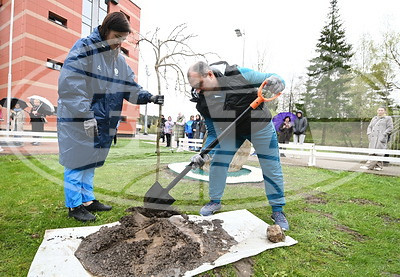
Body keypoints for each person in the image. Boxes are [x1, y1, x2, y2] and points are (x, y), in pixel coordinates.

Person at [57, 12, 164, 222]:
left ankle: (87, 200)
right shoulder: (84, 48)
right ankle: (74, 205)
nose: (118, 43)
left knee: (90, 162)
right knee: (77, 161)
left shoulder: (119, 61)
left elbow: (130, 88)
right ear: (106, 30)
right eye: (116, 36)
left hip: (103, 121)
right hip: (79, 118)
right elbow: (70, 84)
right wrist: (85, 115)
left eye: (122, 39)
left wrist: (149, 97)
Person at [187, 61, 289, 230]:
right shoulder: (203, 103)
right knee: (218, 162)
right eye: (194, 87)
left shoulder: (240, 76)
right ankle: (215, 201)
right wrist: (203, 153)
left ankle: (277, 209)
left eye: (199, 85)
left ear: (210, 75)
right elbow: (213, 132)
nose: (198, 90)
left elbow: (272, 78)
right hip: (231, 131)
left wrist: (278, 81)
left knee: (271, 165)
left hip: (260, 126)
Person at [360, 107, 393, 171]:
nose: (380, 111)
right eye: (379, 110)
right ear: (377, 111)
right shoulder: (374, 118)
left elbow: (390, 128)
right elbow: (369, 127)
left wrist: (384, 134)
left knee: (379, 152)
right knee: (372, 151)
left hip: (381, 138)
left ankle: (369, 166)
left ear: (385, 111)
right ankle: (379, 166)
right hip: (373, 138)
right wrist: (369, 134)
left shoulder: (388, 118)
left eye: (382, 110)